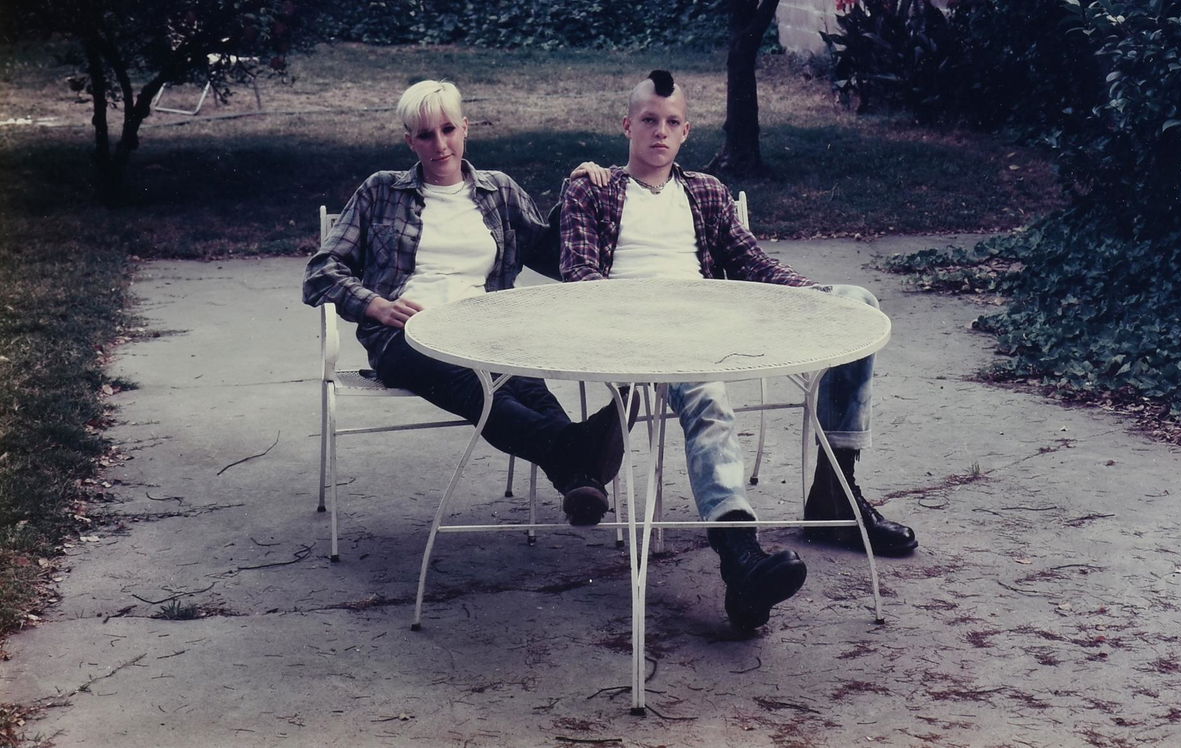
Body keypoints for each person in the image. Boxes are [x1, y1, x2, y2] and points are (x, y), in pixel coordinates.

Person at [560, 69, 917, 632]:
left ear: (686, 131)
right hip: (637, 332)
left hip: (711, 321)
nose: (659, 132)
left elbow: (752, 263)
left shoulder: (705, 191)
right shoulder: (593, 188)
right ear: (627, 125)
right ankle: (740, 556)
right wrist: (644, 315)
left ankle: (836, 496)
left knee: (858, 303)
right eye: (648, 120)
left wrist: (816, 297)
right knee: (707, 396)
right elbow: (579, 274)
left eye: (671, 122)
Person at [304, 78, 627, 526]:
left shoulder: (500, 191)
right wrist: (376, 305)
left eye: (448, 129)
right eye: (425, 135)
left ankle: (579, 481)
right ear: (409, 140)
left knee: (530, 389)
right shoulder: (381, 191)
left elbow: (555, 256)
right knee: (474, 388)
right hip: (407, 338)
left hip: (487, 333)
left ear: (465, 127)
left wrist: (575, 192)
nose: (440, 145)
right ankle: (578, 447)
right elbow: (321, 272)